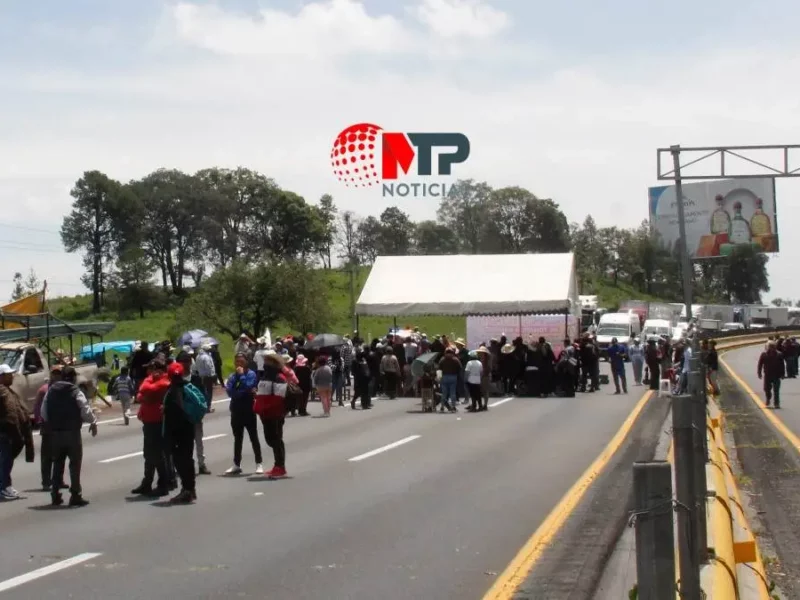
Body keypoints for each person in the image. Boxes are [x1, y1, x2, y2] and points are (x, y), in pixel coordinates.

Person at [41, 366, 98, 506]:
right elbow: (85, 409)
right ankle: (75, 495)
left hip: (56, 433)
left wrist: (52, 423)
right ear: (73, 378)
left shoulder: (51, 391)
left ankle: (55, 494)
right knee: (74, 465)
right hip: (72, 433)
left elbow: (44, 412)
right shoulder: (75, 391)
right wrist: (93, 421)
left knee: (57, 463)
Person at [163, 362, 206, 503]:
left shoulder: (173, 390)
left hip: (177, 431)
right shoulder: (187, 387)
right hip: (188, 428)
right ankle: (190, 489)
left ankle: (187, 490)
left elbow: (171, 413)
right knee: (187, 459)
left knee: (180, 460)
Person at [132, 359, 173, 497]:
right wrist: (146, 398)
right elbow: (141, 393)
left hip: (158, 422)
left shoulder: (165, 381)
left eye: (150, 369)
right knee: (148, 454)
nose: (148, 372)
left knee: (158, 455)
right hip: (148, 421)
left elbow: (147, 389)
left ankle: (164, 484)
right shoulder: (151, 379)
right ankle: (147, 482)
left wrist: (148, 396)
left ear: (158, 369)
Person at [0, 364, 34, 501]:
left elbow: (17, 409)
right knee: (5, 461)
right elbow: (9, 412)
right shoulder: (2, 391)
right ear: (1, 376)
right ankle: (4, 487)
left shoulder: (7, 390)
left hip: (11, 433)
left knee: (6, 460)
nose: (12, 376)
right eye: (9, 374)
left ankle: (5, 485)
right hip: (5, 432)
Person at [225, 353, 263, 475]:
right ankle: (236, 464)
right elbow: (230, 391)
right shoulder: (232, 376)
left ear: (246, 362)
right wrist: (241, 391)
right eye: (237, 362)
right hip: (236, 409)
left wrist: (241, 377)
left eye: (241, 361)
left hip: (248, 409)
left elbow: (249, 386)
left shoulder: (251, 374)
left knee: (253, 437)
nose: (239, 364)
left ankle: (259, 463)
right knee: (238, 438)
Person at [254, 351, 288, 478]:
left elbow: (279, 397)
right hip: (265, 413)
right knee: (270, 439)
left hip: (275, 414)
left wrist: (266, 405)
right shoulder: (265, 376)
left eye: (267, 360)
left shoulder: (279, 377)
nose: (265, 363)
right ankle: (277, 465)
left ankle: (280, 466)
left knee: (276, 439)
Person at [34, 365, 62, 490]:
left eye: (59, 373)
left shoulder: (64, 389)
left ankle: (59, 480)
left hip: (61, 428)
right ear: (51, 375)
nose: (57, 376)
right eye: (54, 373)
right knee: (47, 457)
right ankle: (46, 482)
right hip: (48, 428)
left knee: (60, 455)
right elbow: (37, 408)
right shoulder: (44, 390)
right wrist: (40, 422)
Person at [758, 341, 785, 409]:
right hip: (767, 375)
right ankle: (768, 398)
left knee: (776, 390)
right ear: (768, 347)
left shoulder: (779, 354)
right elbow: (760, 364)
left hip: (776, 375)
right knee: (766, 389)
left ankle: (777, 403)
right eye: (771, 347)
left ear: (775, 347)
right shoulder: (764, 354)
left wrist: (783, 374)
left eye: (773, 347)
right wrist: (759, 373)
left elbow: (782, 365)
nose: (772, 348)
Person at [438, 347, 461, 412]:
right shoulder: (455, 359)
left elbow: (439, 369)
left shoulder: (442, 359)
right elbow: (460, 368)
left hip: (444, 377)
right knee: (452, 393)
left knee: (444, 393)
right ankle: (453, 407)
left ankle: (442, 407)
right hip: (453, 377)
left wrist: (439, 378)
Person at [195, 344, 217, 408]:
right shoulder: (206, 357)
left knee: (204, 391)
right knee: (209, 391)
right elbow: (208, 367)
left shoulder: (198, 356)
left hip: (201, 375)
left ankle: (205, 405)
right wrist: (212, 374)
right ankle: (208, 406)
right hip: (208, 376)